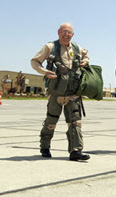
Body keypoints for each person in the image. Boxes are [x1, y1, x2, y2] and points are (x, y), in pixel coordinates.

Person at [31, 22, 90, 161]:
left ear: (72, 34)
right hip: (56, 92)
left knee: (75, 122)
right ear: (58, 32)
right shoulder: (50, 47)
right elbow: (34, 62)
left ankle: (75, 151)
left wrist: (85, 61)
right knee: (51, 121)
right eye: (64, 31)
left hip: (72, 93)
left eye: (69, 32)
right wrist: (45, 72)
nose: (66, 34)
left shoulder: (76, 48)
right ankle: (45, 146)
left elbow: (86, 56)